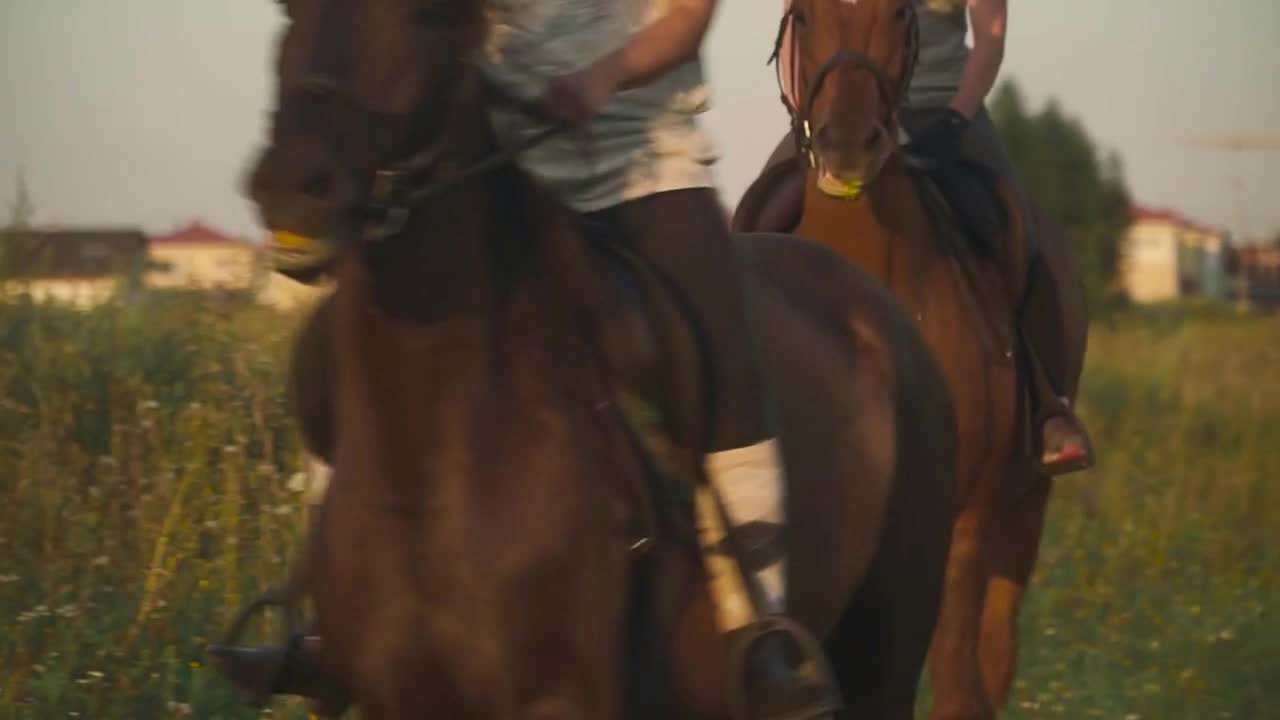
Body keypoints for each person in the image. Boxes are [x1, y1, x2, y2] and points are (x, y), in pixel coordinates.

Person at [215, 1, 838, 716]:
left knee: (720, 362)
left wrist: (603, 77)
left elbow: (687, 17)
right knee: (334, 347)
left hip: (640, 165)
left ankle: (758, 627)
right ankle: (325, 610)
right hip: (502, 161)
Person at [776, 0, 1094, 476]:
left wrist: (957, 118)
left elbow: (990, 37)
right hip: (837, 112)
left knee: (1018, 233)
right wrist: (805, 110)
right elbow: (791, 32)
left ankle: (1048, 407)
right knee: (756, 216)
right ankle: (732, 401)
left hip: (939, 107)